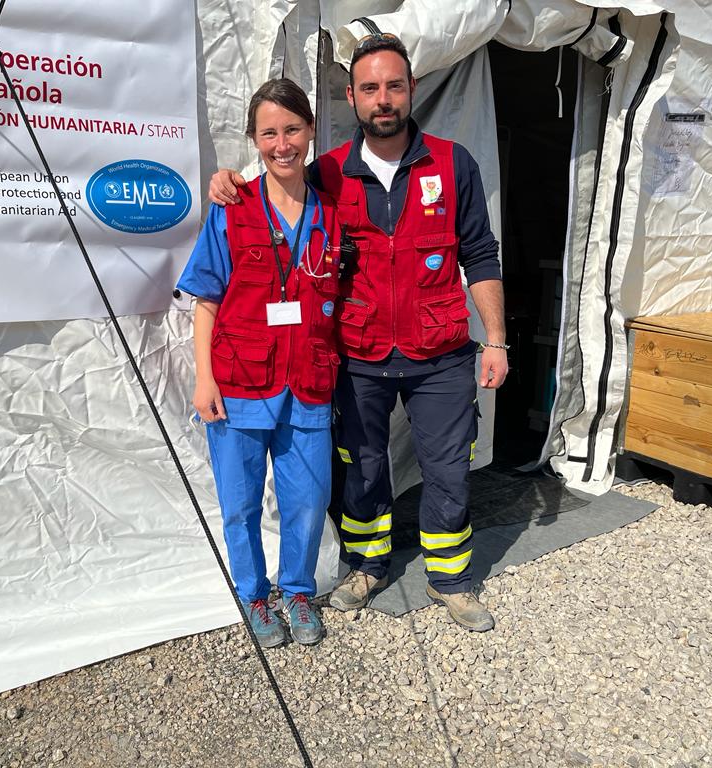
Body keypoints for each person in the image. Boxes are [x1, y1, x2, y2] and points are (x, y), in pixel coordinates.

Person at [208, 32, 508, 632]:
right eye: (369, 88)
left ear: (411, 89)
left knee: (447, 466)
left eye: (394, 85)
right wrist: (229, 181)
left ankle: (450, 578)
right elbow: (277, 184)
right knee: (362, 466)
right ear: (352, 97)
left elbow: (480, 252)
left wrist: (495, 339)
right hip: (358, 351)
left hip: (441, 349)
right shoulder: (327, 173)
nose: (383, 98)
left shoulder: (452, 164)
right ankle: (366, 567)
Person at [177, 78, 342, 648]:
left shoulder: (331, 213)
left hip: (309, 383)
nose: (282, 144)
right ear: (253, 138)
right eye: (269, 132)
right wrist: (203, 379)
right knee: (241, 503)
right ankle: (253, 596)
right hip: (239, 383)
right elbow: (206, 300)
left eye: (292, 129)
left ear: (311, 131)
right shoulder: (231, 206)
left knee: (306, 500)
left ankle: (297, 591)